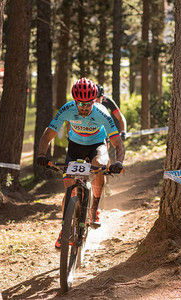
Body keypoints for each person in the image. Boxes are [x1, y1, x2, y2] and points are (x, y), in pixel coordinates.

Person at [36, 77, 125, 249]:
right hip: (75, 146)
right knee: (69, 187)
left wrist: (119, 162)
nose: (84, 108)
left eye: (88, 104)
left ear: (94, 100)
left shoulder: (102, 113)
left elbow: (117, 143)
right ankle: (64, 228)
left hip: (96, 145)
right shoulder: (67, 109)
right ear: (75, 101)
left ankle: (94, 209)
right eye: (80, 104)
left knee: (99, 165)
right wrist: (41, 154)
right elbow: (48, 134)